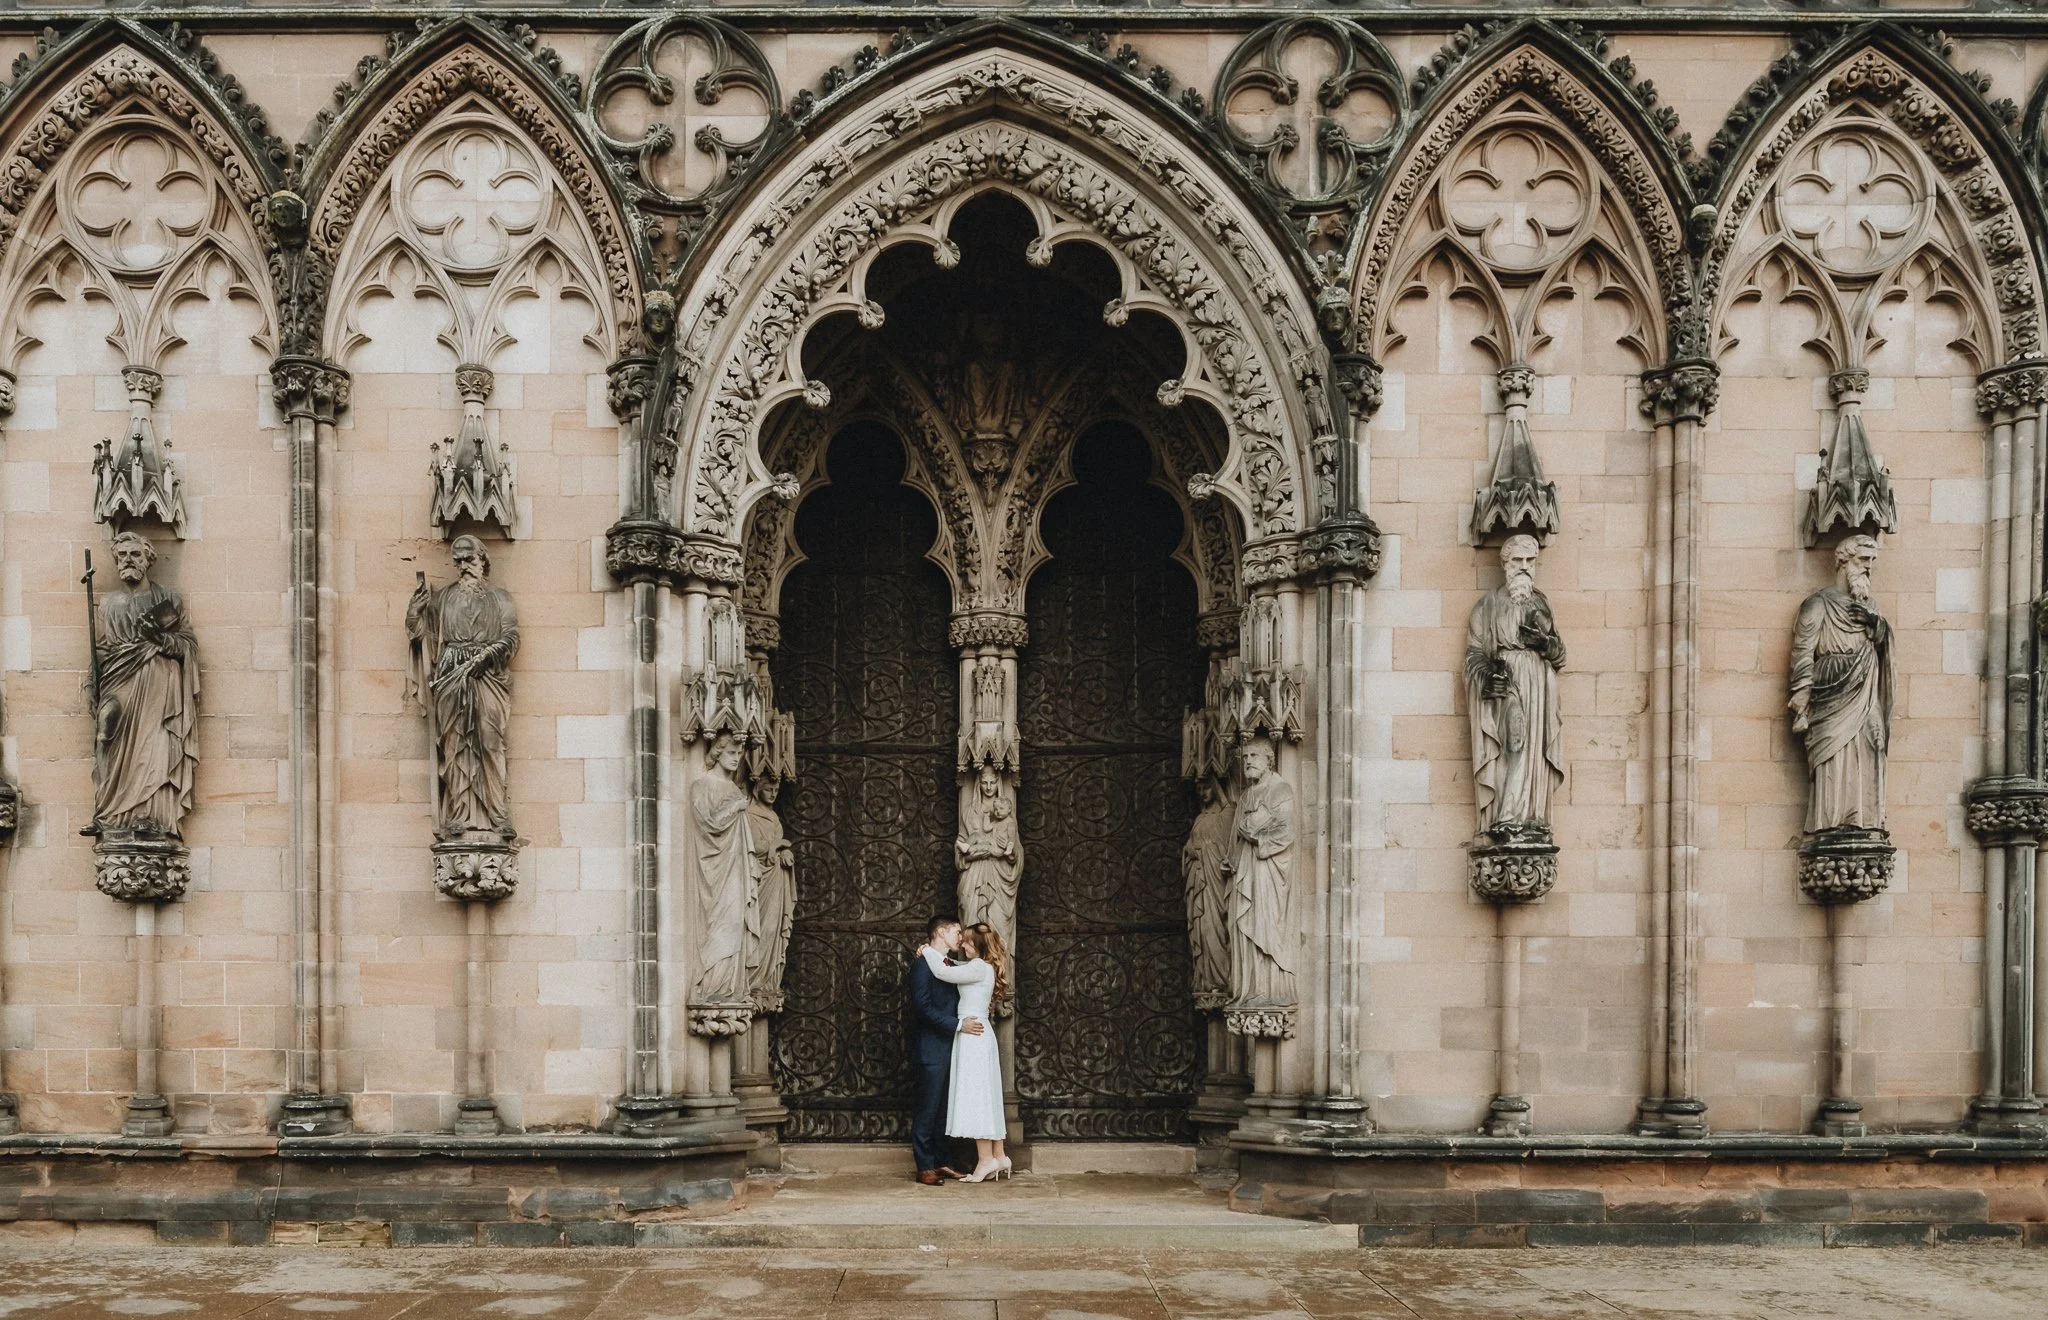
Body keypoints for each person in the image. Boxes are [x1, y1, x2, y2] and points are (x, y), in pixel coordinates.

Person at [86, 531, 198, 840]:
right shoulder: (108, 603)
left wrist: (159, 638)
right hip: (118, 678)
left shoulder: (167, 598)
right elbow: (101, 649)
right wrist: (89, 683)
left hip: (158, 681)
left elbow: (187, 644)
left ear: (148, 559)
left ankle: (150, 817)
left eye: (134, 554)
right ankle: (107, 810)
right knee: (106, 731)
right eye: (122, 556)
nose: (127, 561)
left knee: (153, 745)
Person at [921, 923, 1011, 1183]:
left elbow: (942, 971)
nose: (963, 944)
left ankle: (985, 1161)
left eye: (969, 942)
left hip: (973, 1036)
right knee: (988, 1094)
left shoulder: (978, 968)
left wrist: (927, 950)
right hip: (979, 1034)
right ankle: (999, 1154)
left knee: (977, 1097)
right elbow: (951, 966)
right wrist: (937, 954)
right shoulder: (981, 967)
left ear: (979, 947)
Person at [908, 914, 984, 1186]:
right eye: (956, 932)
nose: (960, 938)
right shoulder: (921, 967)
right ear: (941, 932)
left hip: (952, 1048)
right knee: (927, 1109)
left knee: (944, 1110)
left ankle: (941, 1162)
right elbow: (923, 1008)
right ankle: (924, 1166)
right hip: (930, 1049)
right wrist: (958, 1024)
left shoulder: (950, 964)